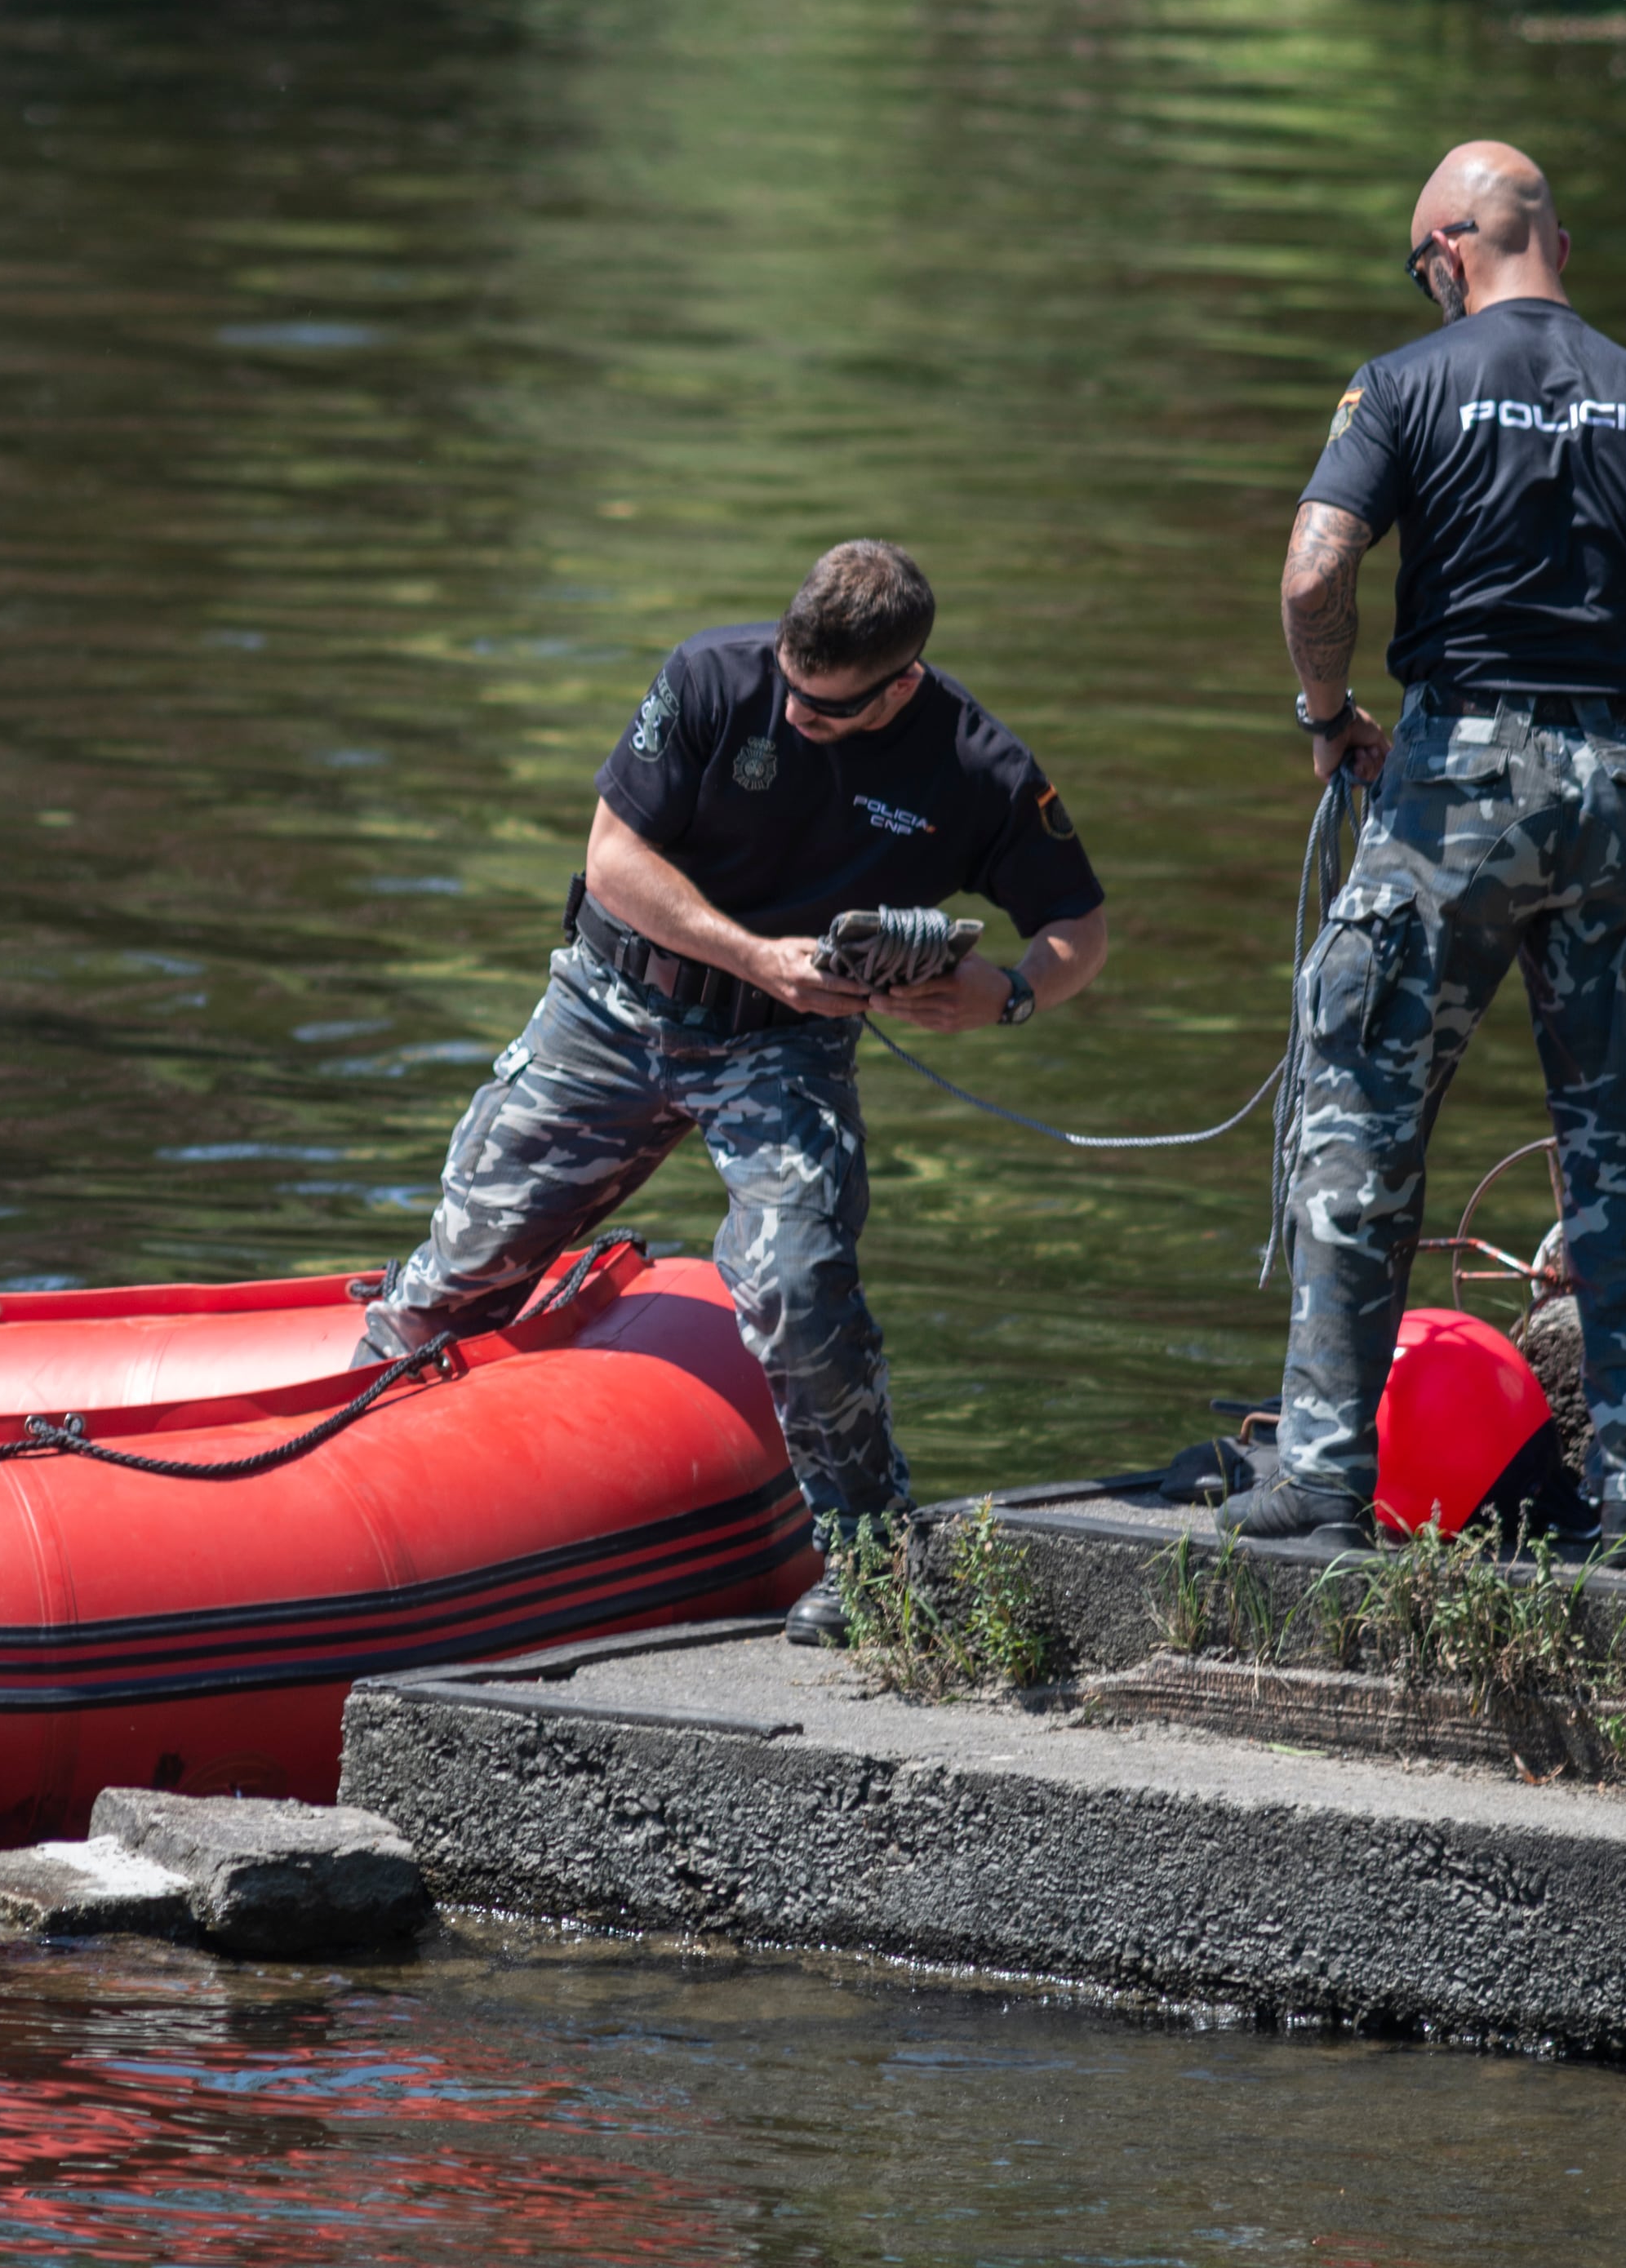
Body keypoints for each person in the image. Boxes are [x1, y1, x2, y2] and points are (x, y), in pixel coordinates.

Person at [358, 541, 1111, 1643]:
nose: (798, 714)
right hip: (614, 1007)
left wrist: (1008, 994)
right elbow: (614, 859)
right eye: (792, 686)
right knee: (463, 1263)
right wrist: (756, 955)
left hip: (785, 1049)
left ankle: (869, 1558)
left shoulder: (976, 764)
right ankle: (350, 1463)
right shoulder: (710, 678)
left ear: (901, 683)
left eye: (830, 706)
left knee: (798, 1279)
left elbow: (1078, 928)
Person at [1229, 142, 1626, 1564]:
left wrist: (1328, 710)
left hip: (1457, 780)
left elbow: (1310, 568)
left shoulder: (1405, 383)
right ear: (1558, 245)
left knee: (1358, 1116)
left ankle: (1329, 1480)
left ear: (1449, 252)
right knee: (1618, 1151)